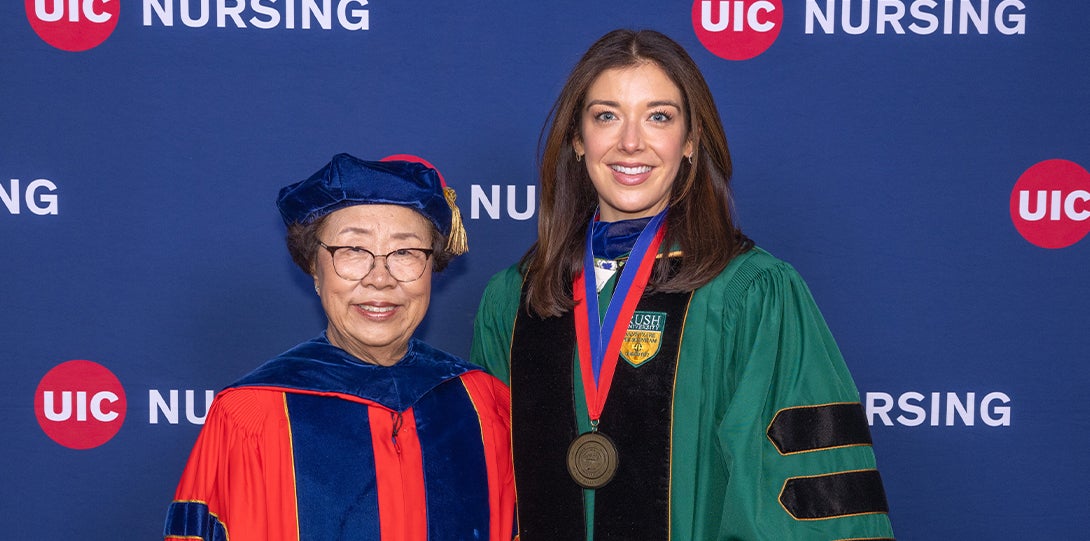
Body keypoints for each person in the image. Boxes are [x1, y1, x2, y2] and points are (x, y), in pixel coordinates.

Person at [470, 29, 895, 540]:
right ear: (578, 140)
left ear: (691, 140)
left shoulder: (750, 293)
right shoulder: (516, 301)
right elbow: (491, 494)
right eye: (607, 116)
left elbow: (798, 503)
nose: (631, 141)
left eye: (659, 117)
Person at [164, 153, 515, 541]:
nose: (380, 278)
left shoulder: (487, 407)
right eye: (353, 251)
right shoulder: (249, 416)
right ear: (314, 268)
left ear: (433, 267)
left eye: (405, 253)